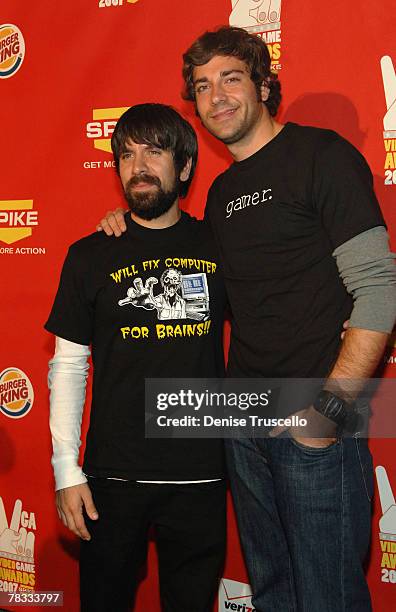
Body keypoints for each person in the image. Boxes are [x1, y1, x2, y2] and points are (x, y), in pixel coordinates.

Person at [97, 27, 396, 612]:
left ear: (263, 84)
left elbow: (380, 292)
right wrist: (126, 229)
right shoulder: (223, 193)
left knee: (327, 597)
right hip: (243, 421)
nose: (217, 96)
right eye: (203, 86)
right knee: (275, 592)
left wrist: (328, 415)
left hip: (314, 417)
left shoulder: (322, 155)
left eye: (232, 78)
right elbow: (191, 285)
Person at [45, 103, 228, 612]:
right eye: (126, 154)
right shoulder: (90, 253)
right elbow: (69, 365)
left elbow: (275, 312)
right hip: (111, 481)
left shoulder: (219, 245)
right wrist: (66, 468)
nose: (138, 166)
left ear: (185, 167)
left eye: (154, 151)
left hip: (201, 475)